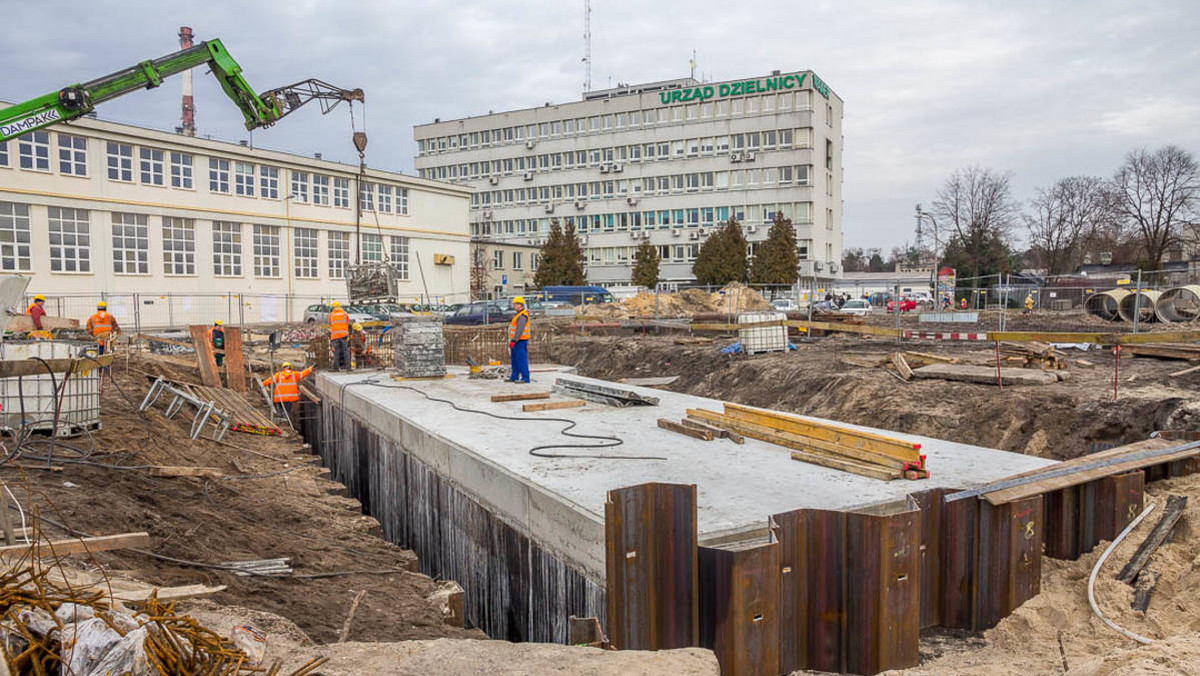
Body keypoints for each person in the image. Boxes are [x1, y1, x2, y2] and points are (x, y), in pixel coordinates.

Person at [507, 296, 531, 384]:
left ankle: (525, 377)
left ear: (520, 305)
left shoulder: (522, 316)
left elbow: (519, 329)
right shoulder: (519, 315)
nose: (514, 306)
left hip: (520, 341)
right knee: (515, 359)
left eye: (515, 304)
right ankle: (514, 376)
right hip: (517, 341)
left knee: (521, 359)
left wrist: (514, 340)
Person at [328, 301, 350, 370]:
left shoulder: (331, 314)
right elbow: (347, 322)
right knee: (346, 351)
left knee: (336, 352)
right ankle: (348, 367)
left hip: (335, 336)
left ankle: (336, 368)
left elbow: (330, 323)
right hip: (344, 335)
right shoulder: (344, 313)